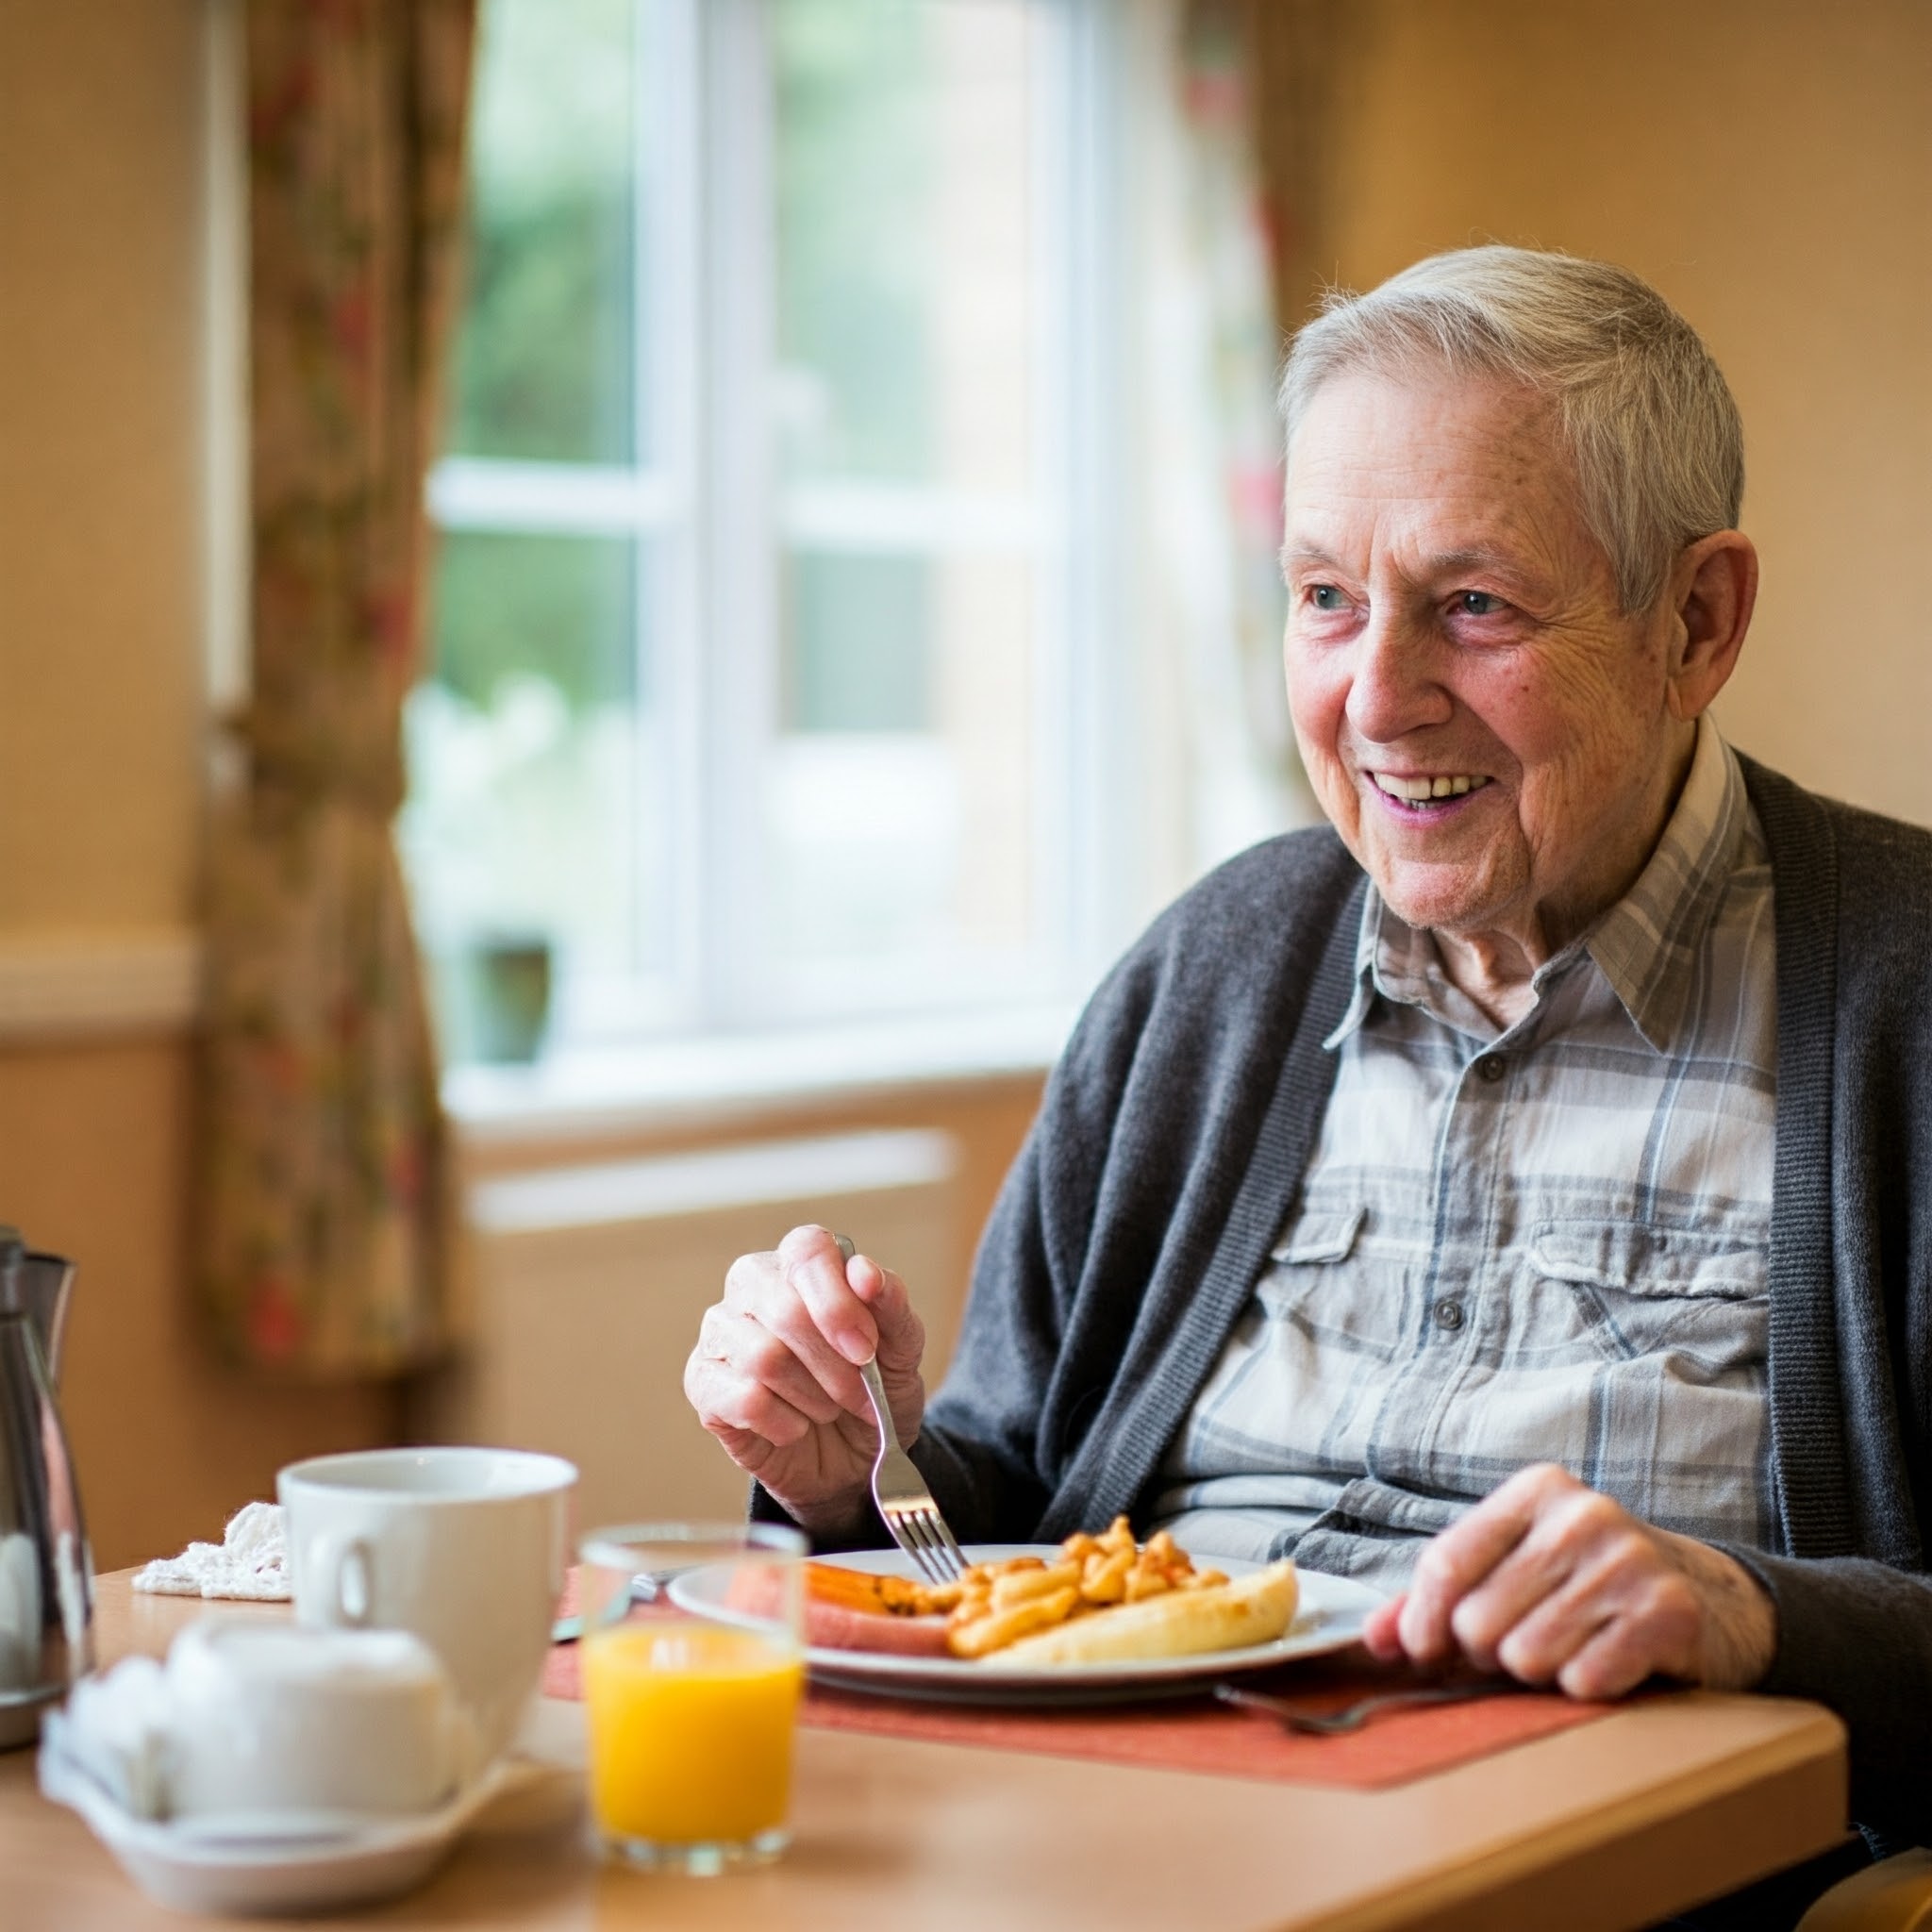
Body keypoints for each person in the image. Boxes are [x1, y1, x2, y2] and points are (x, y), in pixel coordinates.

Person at [684, 247, 1932, 1913]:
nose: (1377, 696)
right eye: (1327, 597)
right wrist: (847, 1464)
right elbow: (1001, 1495)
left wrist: (1749, 1610)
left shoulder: (1902, 999)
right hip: (1104, 1837)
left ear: (1695, 622)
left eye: (1474, 607)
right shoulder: (1218, 970)